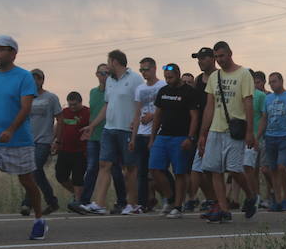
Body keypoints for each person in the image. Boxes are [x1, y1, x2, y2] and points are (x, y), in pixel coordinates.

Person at [197, 41, 258, 222]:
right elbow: (209, 106)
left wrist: (249, 131)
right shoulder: (214, 77)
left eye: (222, 56)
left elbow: (248, 102)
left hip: (235, 129)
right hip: (216, 129)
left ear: (230, 53)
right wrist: (203, 133)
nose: (219, 60)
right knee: (214, 169)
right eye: (216, 57)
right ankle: (223, 209)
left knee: (234, 169)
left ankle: (250, 195)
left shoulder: (243, 74)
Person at [0, 36, 48, 239]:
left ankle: (39, 219)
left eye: (1, 49)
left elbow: (26, 108)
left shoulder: (24, 77)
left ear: (13, 53)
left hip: (19, 140)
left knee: (27, 182)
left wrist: (10, 130)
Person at [80, 49, 144, 215]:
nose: (107, 66)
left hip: (126, 129)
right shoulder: (109, 81)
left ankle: (133, 204)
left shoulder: (135, 78)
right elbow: (107, 105)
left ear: (115, 62)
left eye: (108, 62)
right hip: (109, 128)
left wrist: (137, 126)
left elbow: (141, 104)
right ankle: (98, 204)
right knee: (104, 164)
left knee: (130, 168)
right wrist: (93, 125)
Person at [148, 63, 199, 218]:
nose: (168, 80)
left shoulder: (189, 92)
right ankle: (170, 198)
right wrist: (152, 138)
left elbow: (194, 117)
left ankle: (178, 206)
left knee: (180, 173)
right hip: (163, 136)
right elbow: (157, 116)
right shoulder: (163, 91)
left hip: (181, 137)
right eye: (166, 78)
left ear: (178, 74)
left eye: (170, 77)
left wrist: (190, 137)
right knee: (154, 168)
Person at [75, 64, 126, 215]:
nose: (103, 75)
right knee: (91, 168)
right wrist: (89, 128)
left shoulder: (114, 91)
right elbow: (94, 113)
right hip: (95, 135)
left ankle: (122, 202)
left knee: (115, 169)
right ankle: (84, 201)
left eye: (106, 72)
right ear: (96, 74)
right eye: (100, 72)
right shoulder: (93, 92)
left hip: (110, 134)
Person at [257, 72, 286, 211]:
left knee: (282, 166)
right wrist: (257, 136)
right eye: (270, 82)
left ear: (281, 81)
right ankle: (278, 199)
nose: (272, 84)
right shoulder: (268, 99)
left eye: (274, 81)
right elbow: (264, 118)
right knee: (273, 169)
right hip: (270, 136)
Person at [130, 57, 167, 212]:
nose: (144, 73)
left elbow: (166, 108)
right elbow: (137, 113)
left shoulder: (162, 86)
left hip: (157, 132)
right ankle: (143, 203)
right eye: (141, 70)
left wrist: (153, 115)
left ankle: (168, 197)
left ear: (154, 69)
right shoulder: (140, 89)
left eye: (146, 69)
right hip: (141, 134)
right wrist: (133, 137)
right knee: (141, 171)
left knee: (158, 168)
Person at [23, 68, 62, 216]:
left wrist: (57, 140)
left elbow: (60, 119)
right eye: (32, 78)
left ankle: (27, 204)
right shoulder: (26, 98)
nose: (35, 81)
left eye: (38, 78)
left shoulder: (51, 98)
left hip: (44, 140)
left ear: (42, 80)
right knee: (34, 173)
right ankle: (52, 202)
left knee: (35, 169)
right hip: (27, 141)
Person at [187, 47, 218, 211]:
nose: (200, 61)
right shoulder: (198, 80)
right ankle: (210, 198)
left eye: (203, 58)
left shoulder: (220, 77)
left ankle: (216, 199)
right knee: (199, 168)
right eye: (198, 58)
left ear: (213, 59)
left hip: (217, 128)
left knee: (210, 169)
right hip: (201, 130)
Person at [52, 92, 90, 206]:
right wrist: (53, 141)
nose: (72, 107)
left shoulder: (87, 112)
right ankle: (77, 194)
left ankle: (78, 202)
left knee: (78, 177)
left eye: (75, 105)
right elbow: (58, 126)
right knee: (60, 175)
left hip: (81, 151)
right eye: (70, 105)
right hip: (65, 149)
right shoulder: (64, 112)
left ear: (81, 102)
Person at [241, 70, 267, 206]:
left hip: (255, 138)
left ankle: (256, 196)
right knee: (247, 169)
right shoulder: (240, 94)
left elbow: (264, 117)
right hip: (240, 138)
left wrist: (257, 136)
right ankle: (253, 196)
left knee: (252, 169)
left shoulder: (261, 95)